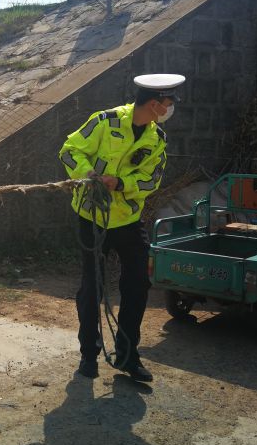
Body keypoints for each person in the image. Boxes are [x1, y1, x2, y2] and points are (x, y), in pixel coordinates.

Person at [58, 73, 184, 383]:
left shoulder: (157, 139)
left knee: (138, 282)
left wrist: (121, 184)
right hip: (92, 217)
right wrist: (89, 176)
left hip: (128, 221)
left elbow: (151, 179)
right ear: (154, 104)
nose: (171, 109)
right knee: (93, 287)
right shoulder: (105, 121)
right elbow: (69, 150)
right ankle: (89, 353)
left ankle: (128, 355)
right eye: (168, 103)